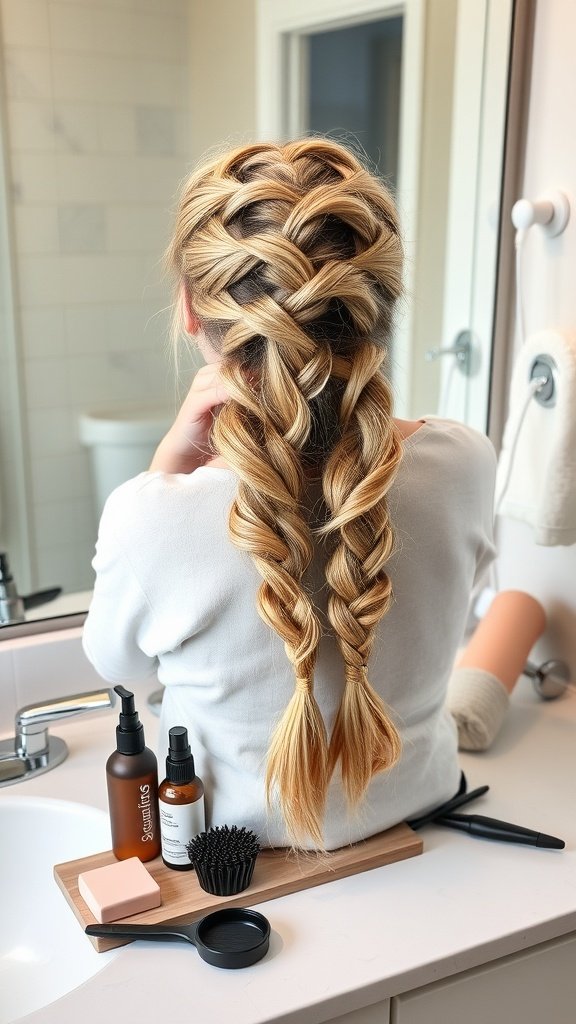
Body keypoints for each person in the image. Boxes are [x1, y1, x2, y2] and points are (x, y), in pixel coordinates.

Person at [83, 139, 496, 851]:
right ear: (380, 306)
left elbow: (117, 666)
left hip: (240, 848)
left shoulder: (151, 515)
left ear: (189, 308)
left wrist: (164, 479)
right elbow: (454, 624)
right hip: (431, 827)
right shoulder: (463, 462)